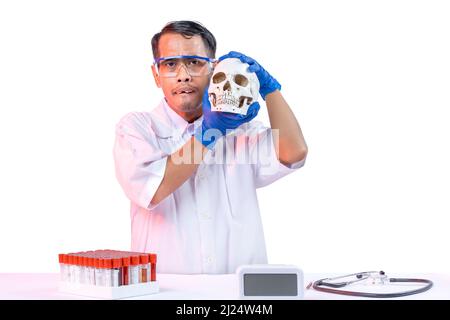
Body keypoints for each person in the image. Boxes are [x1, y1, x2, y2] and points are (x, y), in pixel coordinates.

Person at [113, 20, 308, 274]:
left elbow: (294, 152)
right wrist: (208, 133)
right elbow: (156, 188)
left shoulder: (240, 130)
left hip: (237, 293)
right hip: (165, 290)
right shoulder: (137, 128)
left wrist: (271, 90)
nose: (183, 74)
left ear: (213, 69)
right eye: (170, 64)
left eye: (194, 62)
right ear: (156, 74)